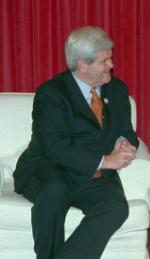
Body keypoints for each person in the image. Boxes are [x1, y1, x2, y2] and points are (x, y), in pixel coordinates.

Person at [13, 26, 138, 259]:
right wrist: (105, 160)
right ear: (83, 64)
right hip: (48, 167)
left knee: (115, 207)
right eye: (105, 60)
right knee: (54, 192)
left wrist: (124, 143)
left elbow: (126, 131)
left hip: (93, 175)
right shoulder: (51, 93)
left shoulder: (117, 89)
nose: (111, 65)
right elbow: (53, 146)